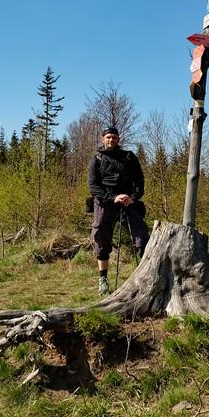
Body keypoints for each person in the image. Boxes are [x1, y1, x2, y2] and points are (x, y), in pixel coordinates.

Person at [88, 126, 150, 295]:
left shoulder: (129, 157)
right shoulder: (97, 158)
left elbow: (139, 181)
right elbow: (93, 186)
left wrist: (132, 198)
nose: (111, 140)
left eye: (114, 137)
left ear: (118, 139)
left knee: (141, 237)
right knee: (101, 237)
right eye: (108, 137)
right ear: (103, 139)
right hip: (104, 202)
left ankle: (144, 277)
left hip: (128, 202)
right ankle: (103, 279)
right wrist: (112, 198)